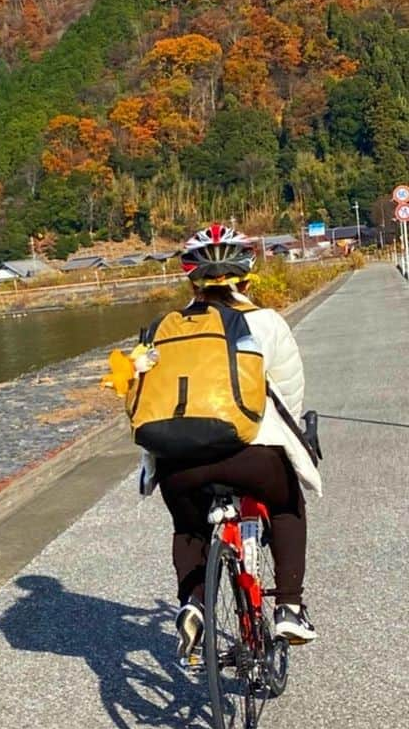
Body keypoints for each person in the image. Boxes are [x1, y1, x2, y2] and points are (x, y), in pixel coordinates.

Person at [137, 224, 321, 659]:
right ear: (246, 278)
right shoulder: (266, 322)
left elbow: (148, 398)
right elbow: (290, 396)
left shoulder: (163, 329)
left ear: (192, 281)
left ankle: (194, 605)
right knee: (287, 505)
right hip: (252, 455)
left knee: (189, 529)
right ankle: (290, 607)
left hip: (179, 463)